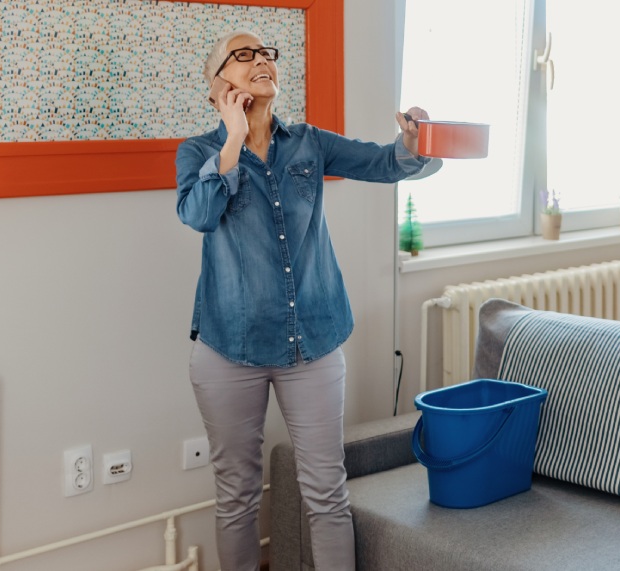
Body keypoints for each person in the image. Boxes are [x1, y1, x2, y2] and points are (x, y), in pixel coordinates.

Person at [174, 30, 430, 571]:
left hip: (311, 343)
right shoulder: (199, 152)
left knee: (326, 492)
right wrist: (234, 139)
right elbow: (198, 215)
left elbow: (384, 163)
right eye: (244, 55)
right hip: (228, 350)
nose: (262, 59)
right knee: (238, 497)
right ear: (218, 85)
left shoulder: (309, 143)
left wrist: (413, 144)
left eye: (266, 52)